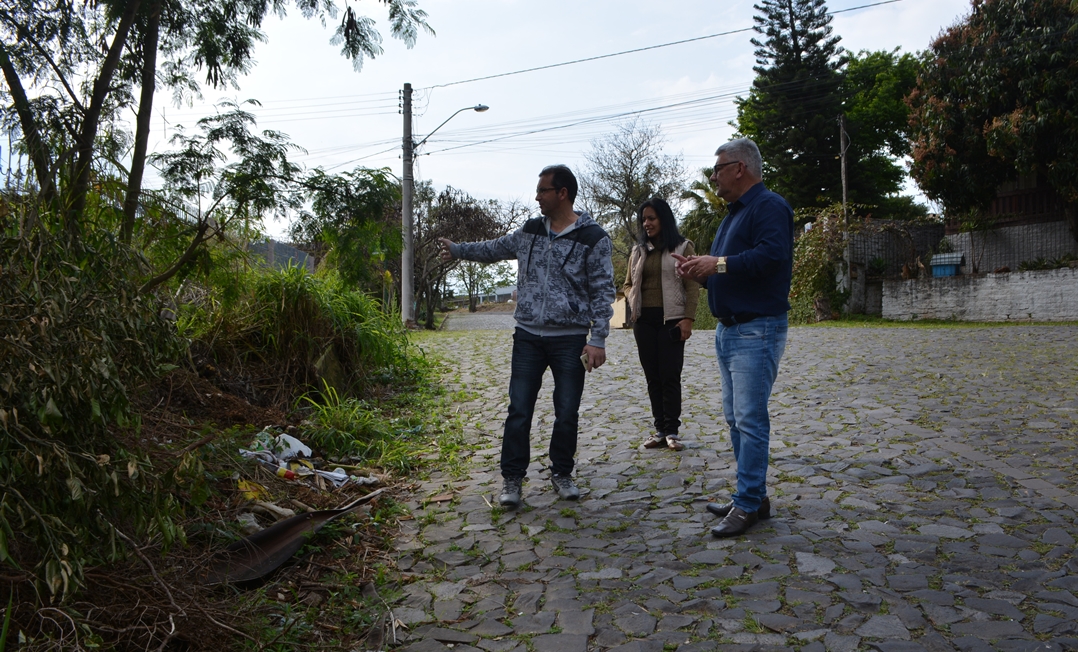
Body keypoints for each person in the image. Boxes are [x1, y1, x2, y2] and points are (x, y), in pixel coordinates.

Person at [439, 165, 615, 508]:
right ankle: (512, 479)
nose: (537, 197)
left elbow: (603, 291)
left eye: (543, 191)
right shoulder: (531, 230)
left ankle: (562, 472)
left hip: (570, 339)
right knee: (519, 409)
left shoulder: (594, 238)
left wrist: (598, 339)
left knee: (567, 411)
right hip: (528, 337)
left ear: (562, 193)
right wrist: (459, 249)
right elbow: (494, 248)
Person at [672, 138, 793, 538]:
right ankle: (753, 496)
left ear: (740, 168)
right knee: (735, 418)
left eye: (718, 168)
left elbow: (772, 257)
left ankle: (747, 504)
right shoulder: (732, 217)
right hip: (731, 330)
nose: (713, 176)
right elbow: (732, 271)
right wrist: (700, 273)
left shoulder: (769, 206)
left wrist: (717, 263)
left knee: (750, 419)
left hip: (757, 328)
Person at [623, 197, 700, 452]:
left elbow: (692, 285)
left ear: (663, 219)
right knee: (652, 377)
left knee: (670, 375)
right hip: (643, 322)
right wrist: (633, 299)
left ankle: (672, 432)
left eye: (652, 218)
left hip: (672, 321)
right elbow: (627, 284)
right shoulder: (638, 251)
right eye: (644, 219)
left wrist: (688, 319)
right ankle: (659, 430)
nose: (647, 223)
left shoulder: (683, 246)